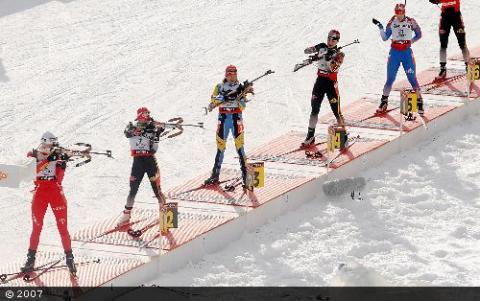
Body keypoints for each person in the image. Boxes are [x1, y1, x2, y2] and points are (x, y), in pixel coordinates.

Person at [21, 132, 76, 274]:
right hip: (40, 193)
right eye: (46, 145)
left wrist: (62, 164)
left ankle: (70, 259)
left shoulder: (56, 157)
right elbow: (29, 173)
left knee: (62, 228)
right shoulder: (33, 155)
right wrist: (48, 160)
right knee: (37, 227)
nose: (48, 148)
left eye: (51, 145)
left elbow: (58, 179)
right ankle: (30, 259)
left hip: (55, 193)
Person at [204, 65, 254, 188]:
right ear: (226, 74)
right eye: (230, 74)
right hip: (223, 118)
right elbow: (213, 100)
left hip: (236, 118)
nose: (232, 76)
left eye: (234, 73)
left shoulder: (241, 87)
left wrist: (238, 99)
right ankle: (215, 175)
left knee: (240, 146)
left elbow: (243, 105)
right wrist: (223, 97)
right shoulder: (219, 87)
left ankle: (246, 177)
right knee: (220, 146)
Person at [117, 107, 167, 226]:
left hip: (150, 161)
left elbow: (154, 149)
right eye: (145, 114)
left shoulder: (151, 128)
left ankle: (165, 216)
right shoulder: (132, 125)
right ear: (140, 115)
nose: (148, 115)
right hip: (137, 162)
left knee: (157, 189)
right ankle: (126, 214)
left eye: (148, 113)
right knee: (133, 189)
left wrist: (157, 132)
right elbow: (127, 133)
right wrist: (138, 130)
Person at [373, 3, 424, 115]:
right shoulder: (392, 22)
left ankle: (419, 101)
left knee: (412, 78)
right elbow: (385, 38)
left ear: (404, 12)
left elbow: (419, 34)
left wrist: (411, 41)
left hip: (406, 53)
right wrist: (380, 27)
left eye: (400, 12)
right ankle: (384, 101)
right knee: (390, 79)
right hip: (395, 53)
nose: (398, 15)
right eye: (396, 12)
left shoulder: (411, 21)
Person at [302, 29, 345, 146]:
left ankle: (343, 136)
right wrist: (316, 54)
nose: (330, 41)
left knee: (336, 110)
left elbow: (333, 69)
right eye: (329, 38)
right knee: (314, 109)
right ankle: (310, 136)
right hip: (320, 82)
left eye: (334, 39)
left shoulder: (340, 54)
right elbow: (306, 51)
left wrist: (330, 58)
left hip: (331, 83)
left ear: (337, 40)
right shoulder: (322, 46)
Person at [428, 0, 470, 79]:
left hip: (456, 17)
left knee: (462, 43)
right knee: (443, 44)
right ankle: (443, 69)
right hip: (445, 18)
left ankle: (468, 65)